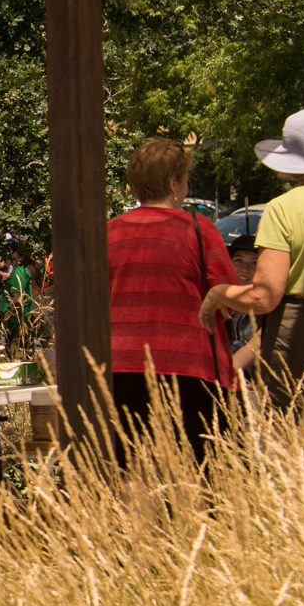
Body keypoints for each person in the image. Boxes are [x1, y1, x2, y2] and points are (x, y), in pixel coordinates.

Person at [102, 138, 236, 466]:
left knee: (129, 472)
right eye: (186, 180)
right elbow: (227, 298)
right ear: (174, 184)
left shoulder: (107, 232)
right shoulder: (198, 229)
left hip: (122, 366)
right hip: (190, 366)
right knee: (201, 472)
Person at [203, 111, 304, 411]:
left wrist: (217, 294)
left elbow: (264, 297)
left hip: (298, 329)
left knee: (293, 433)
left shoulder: (284, 208)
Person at [225, 234, 261, 376]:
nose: (245, 268)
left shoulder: (270, 309)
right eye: (238, 260)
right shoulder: (218, 305)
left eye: (254, 263)